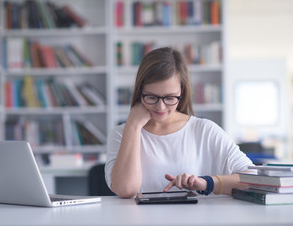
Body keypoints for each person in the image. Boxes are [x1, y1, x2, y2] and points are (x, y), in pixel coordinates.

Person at [105, 47, 254, 199]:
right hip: (141, 222)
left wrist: (207, 183)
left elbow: (253, 180)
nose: (160, 107)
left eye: (170, 98)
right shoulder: (121, 134)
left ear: (181, 93)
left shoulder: (204, 130)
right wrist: (133, 126)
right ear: (139, 91)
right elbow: (126, 190)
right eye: (151, 97)